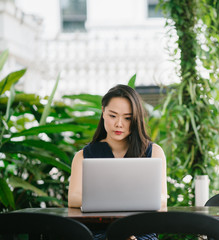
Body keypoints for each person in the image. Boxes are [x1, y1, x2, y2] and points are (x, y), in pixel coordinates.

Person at [68, 84, 167, 240]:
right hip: (100, 233)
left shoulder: (154, 152)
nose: (119, 124)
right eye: (113, 116)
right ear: (103, 112)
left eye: (127, 118)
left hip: (141, 232)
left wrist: (105, 199)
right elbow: (73, 198)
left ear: (135, 119)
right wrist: (131, 199)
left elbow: (161, 201)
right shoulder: (84, 155)